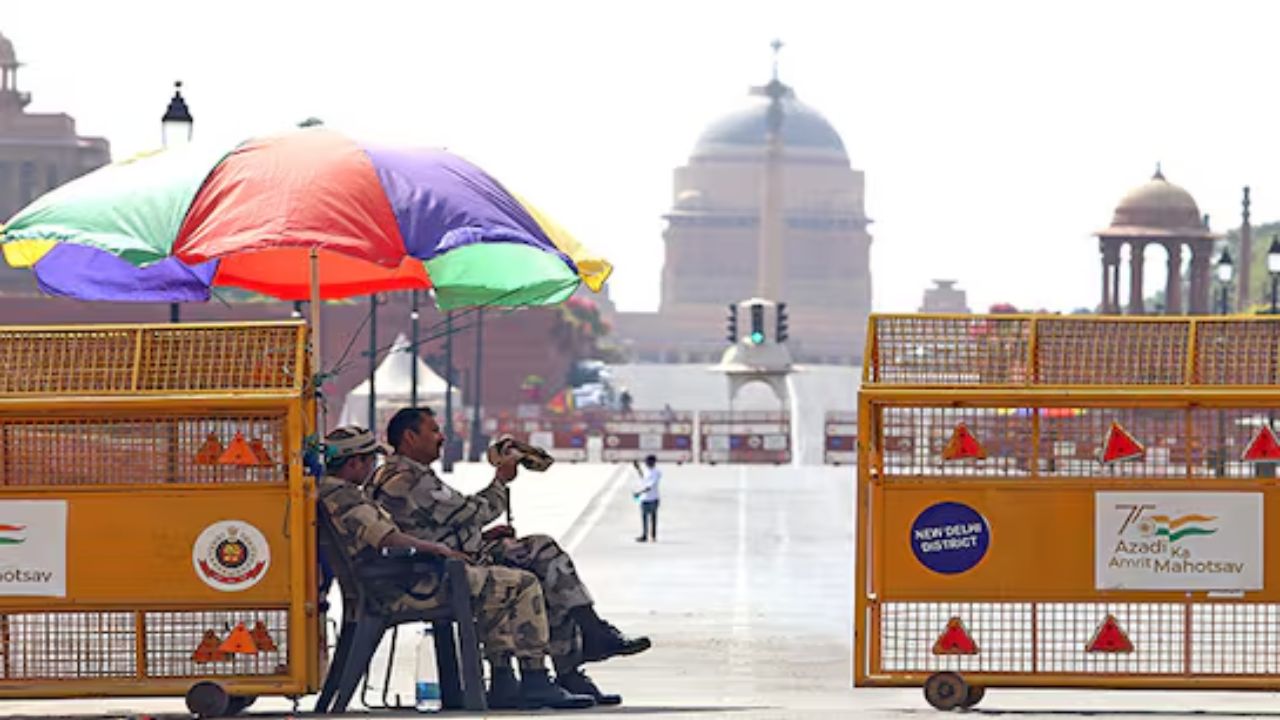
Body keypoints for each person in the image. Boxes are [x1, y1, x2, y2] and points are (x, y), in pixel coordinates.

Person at [368, 407, 651, 706]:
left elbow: (440, 524)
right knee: (528, 580)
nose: (442, 437)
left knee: (541, 550)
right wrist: (501, 480)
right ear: (410, 437)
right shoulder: (407, 479)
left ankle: (583, 647)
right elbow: (474, 511)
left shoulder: (406, 474)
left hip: (450, 559)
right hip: (437, 572)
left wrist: (483, 537)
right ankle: (540, 675)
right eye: (434, 431)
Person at [318, 426, 593, 710]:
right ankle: (535, 678)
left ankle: (505, 681)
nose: (373, 465)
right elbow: (386, 536)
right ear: (354, 464)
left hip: (396, 580)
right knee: (521, 583)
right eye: (368, 460)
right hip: (407, 586)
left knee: (497, 577)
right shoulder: (351, 494)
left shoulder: (341, 490)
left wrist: (479, 539)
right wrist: (437, 549)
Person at [631, 455, 661, 543]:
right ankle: (644, 535)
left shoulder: (656, 472)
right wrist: (637, 468)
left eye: (649, 462)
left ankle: (653, 536)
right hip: (644, 498)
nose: (647, 463)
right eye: (646, 461)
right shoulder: (647, 471)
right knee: (644, 518)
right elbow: (642, 476)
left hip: (653, 498)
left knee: (653, 518)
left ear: (653, 462)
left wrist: (638, 493)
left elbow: (650, 486)